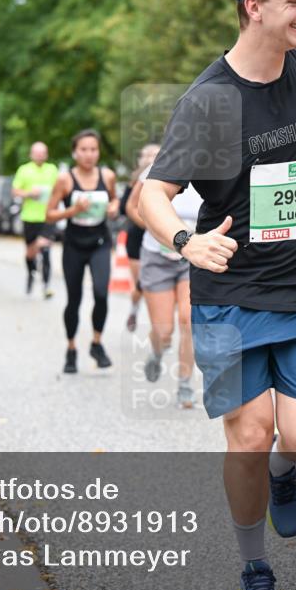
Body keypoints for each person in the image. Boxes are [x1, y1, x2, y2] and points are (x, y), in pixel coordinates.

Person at [139, 0, 296, 590]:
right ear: (253, 6)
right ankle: (254, 568)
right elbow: (151, 194)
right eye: (295, 0)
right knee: (250, 434)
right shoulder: (208, 101)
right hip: (229, 296)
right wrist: (187, 241)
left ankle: (284, 474)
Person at [126, 153, 203, 408]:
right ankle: (157, 352)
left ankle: (185, 385)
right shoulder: (158, 167)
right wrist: (159, 228)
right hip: (157, 257)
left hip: (191, 259)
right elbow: (133, 206)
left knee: (188, 321)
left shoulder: (211, 170)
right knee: (163, 330)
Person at [46, 129, 120, 374]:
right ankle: (71, 349)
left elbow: (115, 199)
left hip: (100, 242)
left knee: (101, 293)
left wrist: (113, 207)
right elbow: (49, 214)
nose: (89, 154)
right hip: (73, 245)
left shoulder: (107, 176)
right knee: (74, 299)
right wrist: (73, 211)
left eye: (93, 149)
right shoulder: (65, 180)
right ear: (74, 153)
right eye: (84, 150)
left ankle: (96, 344)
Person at [120, 144, 160, 332]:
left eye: (156, 154)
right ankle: (134, 309)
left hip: (161, 239)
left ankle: (157, 324)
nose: (152, 158)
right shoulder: (137, 179)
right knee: (141, 284)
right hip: (138, 235)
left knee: (156, 284)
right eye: (148, 155)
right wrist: (150, 225)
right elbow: (125, 207)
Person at [13, 142, 59, 298]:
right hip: (30, 217)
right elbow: (15, 191)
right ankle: (31, 274)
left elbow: (59, 190)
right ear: (31, 154)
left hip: (48, 217)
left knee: (45, 249)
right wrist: (29, 194)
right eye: (37, 153)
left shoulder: (52, 170)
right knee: (30, 253)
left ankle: (46, 285)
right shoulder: (24, 170)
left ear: (46, 154)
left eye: (42, 153)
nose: (40, 155)